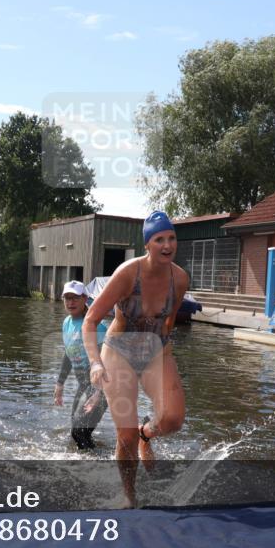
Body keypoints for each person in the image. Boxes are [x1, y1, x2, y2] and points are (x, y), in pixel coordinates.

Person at [83, 211, 189, 506]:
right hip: (119, 349)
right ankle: (129, 495)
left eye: (171, 238)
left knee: (173, 419)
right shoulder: (128, 274)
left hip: (156, 348)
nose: (167, 245)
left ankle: (147, 434)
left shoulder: (179, 279)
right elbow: (90, 320)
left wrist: (164, 357)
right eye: (159, 240)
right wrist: (95, 362)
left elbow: (168, 322)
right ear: (147, 244)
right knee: (124, 436)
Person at [54, 280, 108, 450]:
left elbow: (107, 361)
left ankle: (93, 466)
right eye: (67, 298)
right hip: (83, 384)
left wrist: (99, 393)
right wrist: (60, 384)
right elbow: (69, 354)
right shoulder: (67, 323)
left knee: (78, 432)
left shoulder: (96, 326)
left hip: (101, 386)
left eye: (75, 298)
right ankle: (92, 460)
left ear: (85, 298)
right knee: (77, 429)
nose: (71, 302)